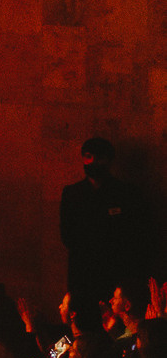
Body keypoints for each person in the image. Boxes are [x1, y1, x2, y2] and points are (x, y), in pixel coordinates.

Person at [61, 137, 149, 319]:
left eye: (99, 157)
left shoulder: (126, 194)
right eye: (88, 156)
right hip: (82, 275)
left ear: (109, 160)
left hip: (114, 274)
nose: (93, 162)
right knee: (81, 322)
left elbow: (135, 236)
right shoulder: (72, 194)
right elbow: (67, 235)